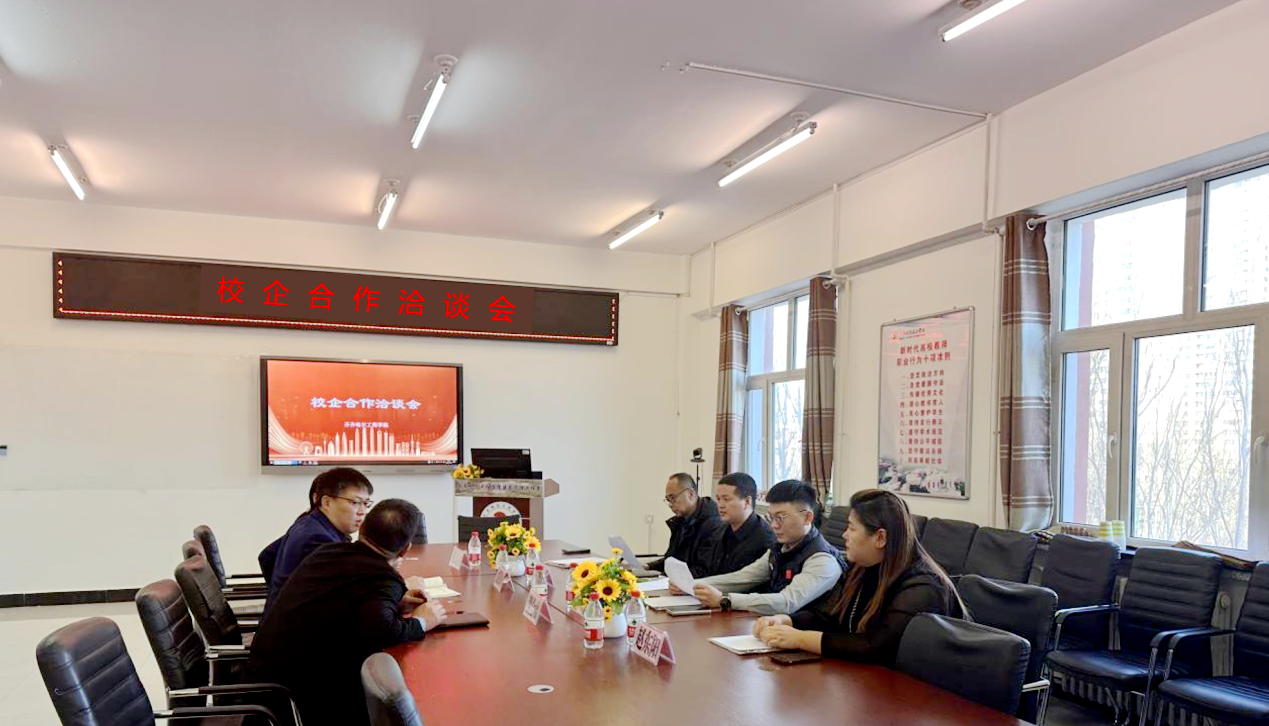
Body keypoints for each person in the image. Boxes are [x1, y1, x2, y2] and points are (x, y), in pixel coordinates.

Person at [248, 498, 447, 726]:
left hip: (268, 676)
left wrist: (396, 605)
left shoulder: (330, 551)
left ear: (362, 529)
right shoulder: (381, 577)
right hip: (301, 693)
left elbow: (345, 605)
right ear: (405, 550)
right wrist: (422, 621)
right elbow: (382, 632)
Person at [753, 489, 964, 666]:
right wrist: (787, 620)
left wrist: (801, 639)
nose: (844, 535)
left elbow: (878, 648)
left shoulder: (922, 586)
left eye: (852, 528)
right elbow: (830, 617)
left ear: (880, 538)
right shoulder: (863, 568)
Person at [690, 479, 843, 615]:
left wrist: (725, 600)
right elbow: (745, 577)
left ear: (807, 517)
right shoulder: (781, 547)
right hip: (774, 626)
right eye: (771, 517)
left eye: (780, 517)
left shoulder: (822, 560)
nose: (774, 525)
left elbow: (787, 602)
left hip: (804, 634)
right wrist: (693, 585)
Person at [258, 467, 374, 607]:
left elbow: (267, 555)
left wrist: (278, 595)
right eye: (355, 502)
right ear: (327, 503)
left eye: (366, 503)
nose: (362, 512)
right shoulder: (318, 539)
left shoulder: (308, 522)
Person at [694, 472, 775, 577]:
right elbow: (707, 569)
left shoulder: (765, 539)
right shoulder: (718, 531)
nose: (720, 505)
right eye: (718, 499)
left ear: (747, 502)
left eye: (726, 499)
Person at [647, 472, 721, 577]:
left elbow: (703, 570)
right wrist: (648, 567)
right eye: (668, 500)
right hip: (677, 581)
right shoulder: (681, 520)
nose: (670, 505)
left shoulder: (713, 523)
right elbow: (673, 559)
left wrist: (663, 576)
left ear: (691, 494)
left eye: (673, 498)